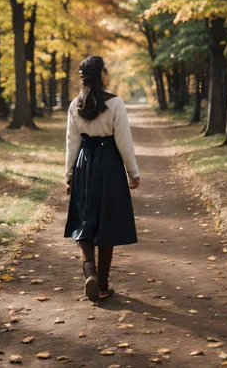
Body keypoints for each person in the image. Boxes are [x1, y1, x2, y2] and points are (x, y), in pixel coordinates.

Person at [64, 55, 140, 302]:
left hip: (84, 163)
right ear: (102, 75)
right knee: (107, 221)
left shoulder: (75, 104)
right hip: (109, 164)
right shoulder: (115, 103)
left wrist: (69, 174)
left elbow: (71, 142)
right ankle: (104, 284)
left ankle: (90, 274)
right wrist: (133, 172)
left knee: (83, 220)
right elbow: (123, 140)